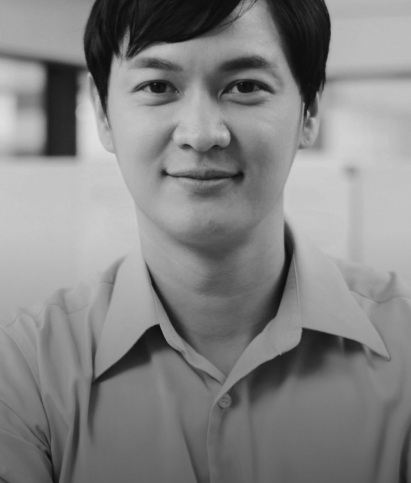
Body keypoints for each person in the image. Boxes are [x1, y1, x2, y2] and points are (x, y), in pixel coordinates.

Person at [1, 0, 411, 481]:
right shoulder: (26, 370)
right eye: (158, 86)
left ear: (309, 111)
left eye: (245, 86)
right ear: (102, 111)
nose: (201, 134)